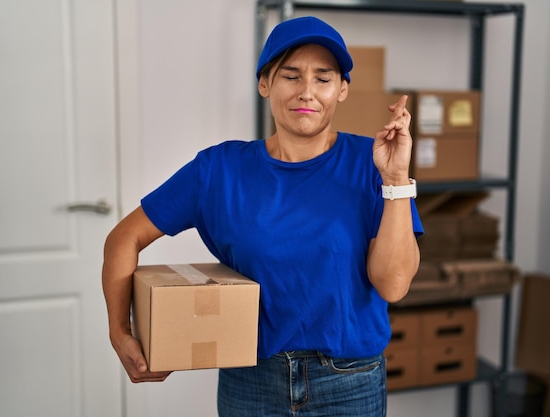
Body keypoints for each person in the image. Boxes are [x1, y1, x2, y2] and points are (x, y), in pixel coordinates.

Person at [102, 15, 423, 417]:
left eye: (323, 79)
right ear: (265, 84)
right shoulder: (219, 170)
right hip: (250, 382)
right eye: (291, 75)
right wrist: (120, 333)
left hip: (349, 384)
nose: (307, 92)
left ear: (342, 90)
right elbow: (122, 239)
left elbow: (392, 285)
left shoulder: (371, 164)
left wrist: (395, 179)